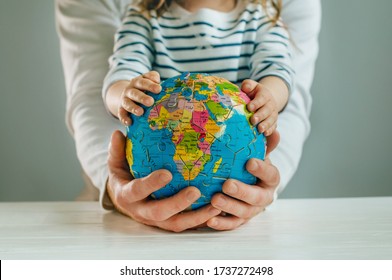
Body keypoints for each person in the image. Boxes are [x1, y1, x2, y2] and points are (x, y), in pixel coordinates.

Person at [55, 0, 321, 231]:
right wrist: (124, 95)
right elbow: (119, 75)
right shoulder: (143, 18)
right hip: (154, 196)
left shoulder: (262, 17)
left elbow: (277, 71)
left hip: (231, 197)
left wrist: (269, 98)